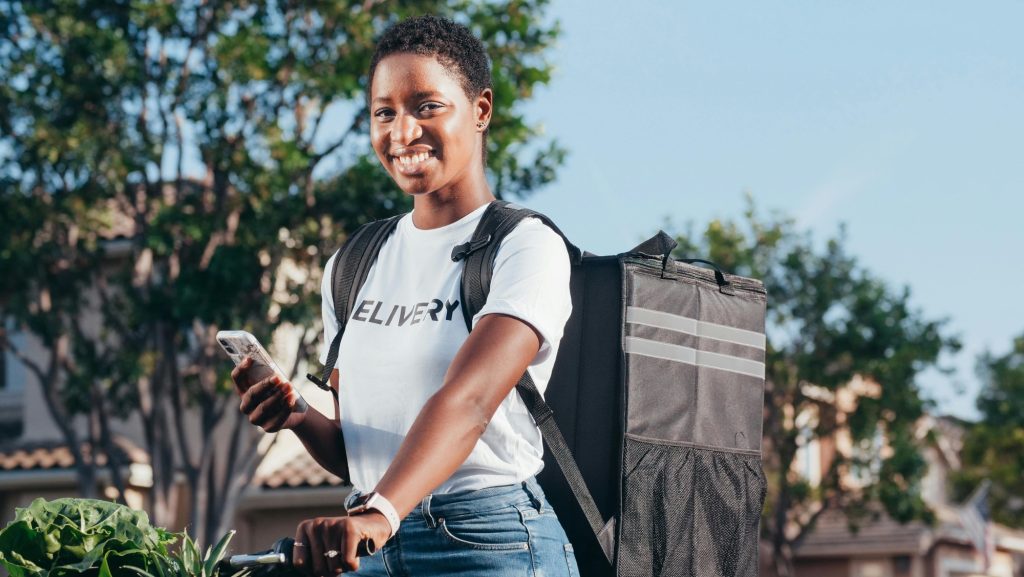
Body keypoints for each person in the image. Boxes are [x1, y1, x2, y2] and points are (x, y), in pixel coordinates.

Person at [230, 15, 578, 577]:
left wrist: (380, 513)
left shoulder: (525, 245)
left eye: (427, 106)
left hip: (490, 543)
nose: (402, 132)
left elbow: (469, 400)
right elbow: (362, 455)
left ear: (481, 110)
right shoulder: (354, 262)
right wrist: (297, 416)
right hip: (374, 543)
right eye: (384, 112)